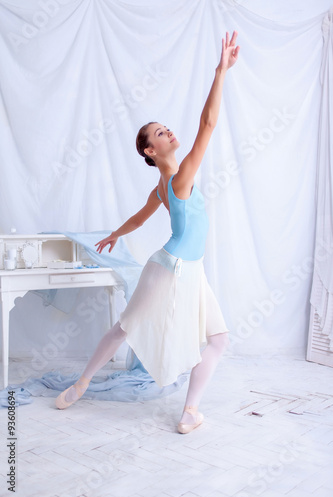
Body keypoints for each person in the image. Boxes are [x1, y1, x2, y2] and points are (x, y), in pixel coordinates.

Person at [56, 31, 240, 434]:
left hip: (192, 269)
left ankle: (190, 411)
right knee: (126, 326)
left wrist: (116, 235)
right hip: (170, 267)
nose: (169, 132)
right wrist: (220, 71)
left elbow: (140, 218)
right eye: (159, 133)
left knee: (219, 339)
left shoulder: (166, 183)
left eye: (166, 128)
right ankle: (80, 385)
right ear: (149, 152)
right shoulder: (177, 178)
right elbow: (208, 123)